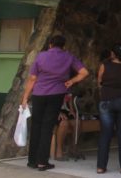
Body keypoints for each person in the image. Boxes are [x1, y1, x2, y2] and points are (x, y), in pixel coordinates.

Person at [21, 35, 89, 171]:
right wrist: (71, 81)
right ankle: (42, 162)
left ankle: (32, 161)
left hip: (39, 94)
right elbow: (84, 72)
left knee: (36, 126)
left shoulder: (41, 56)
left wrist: (25, 98)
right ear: (63, 46)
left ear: (50, 44)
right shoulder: (68, 56)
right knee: (47, 127)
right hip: (56, 94)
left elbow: (32, 79)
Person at [96, 43, 121, 174]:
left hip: (106, 100)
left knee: (105, 134)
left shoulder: (104, 65)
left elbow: (99, 81)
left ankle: (101, 167)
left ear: (113, 54)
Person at [50, 93, 76, 161]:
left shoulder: (68, 84)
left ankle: (72, 148)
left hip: (64, 109)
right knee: (64, 123)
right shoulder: (55, 86)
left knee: (77, 122)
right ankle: (59, 151)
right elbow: (50, 100)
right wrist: (57, 112)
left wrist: (71, 109)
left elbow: (70, 97)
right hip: (52, 110)